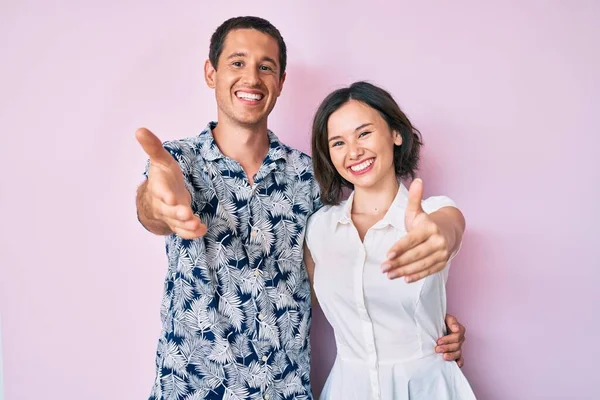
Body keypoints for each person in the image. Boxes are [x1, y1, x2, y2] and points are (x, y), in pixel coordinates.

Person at [134, 16, 468, 400]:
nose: (252, 77)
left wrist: (429, 332)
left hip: (284, 388)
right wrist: (159, 206)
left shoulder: (309, 178)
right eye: (237, 63)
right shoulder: (177, 162)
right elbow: (151, 208)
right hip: (191, 387)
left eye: (266, 67)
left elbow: (356, 268)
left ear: (280, 82)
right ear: (211, 72)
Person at [304, 81, 475, 399]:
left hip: (427, 388)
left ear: (396, 134)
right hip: (347, 389)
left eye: (364, 133)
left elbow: (448, 229)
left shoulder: (435, 212)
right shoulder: (318, 229)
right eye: (338, 142)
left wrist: (439, 236)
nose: (354, 151)